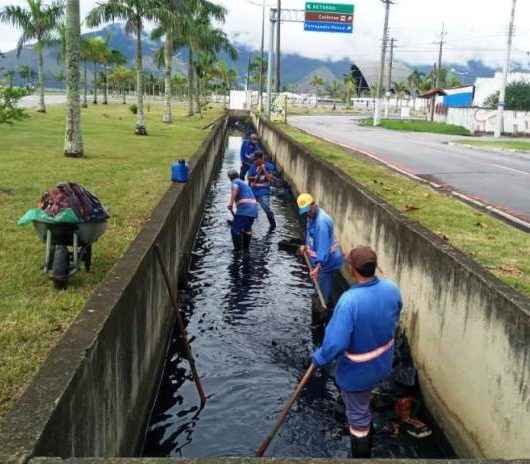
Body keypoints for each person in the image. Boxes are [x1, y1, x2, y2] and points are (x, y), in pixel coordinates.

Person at [312, 246, 403, 458]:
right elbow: (396, 312)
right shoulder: (391, 288)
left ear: (352, 270)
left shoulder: (349, 301)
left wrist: (319, 357)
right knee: (364, 403)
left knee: (358, 418)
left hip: (359, 373)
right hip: (383, 362)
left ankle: (361, 456)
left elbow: (335, 344)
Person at [296, 193, 343, 305]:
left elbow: (322, 249)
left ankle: (324, 309)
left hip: (326, 262)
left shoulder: (321, 223)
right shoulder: (311, 216)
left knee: (323, 292)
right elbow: (310, 236)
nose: (307, 214)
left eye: (308, 210)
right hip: (320, 259)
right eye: (305, 212)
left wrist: (317, 268)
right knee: (321, 287)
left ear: (314, 205)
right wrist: (306, 247)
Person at [227, 169, 258, 250]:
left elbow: (235, 189)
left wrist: (231, 203)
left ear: (230, 178)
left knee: (234, 230)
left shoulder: (235, 182)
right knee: (247, 230)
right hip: (253, 210)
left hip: (244, 210)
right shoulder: (244, 184)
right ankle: (246, 250)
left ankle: (237, 251)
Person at [247, 151, 276, 230]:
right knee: (250, 208)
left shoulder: (269, 166)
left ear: (261, 159)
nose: (255, 161)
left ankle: (273, 225)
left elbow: (269, 178)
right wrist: (256, 177)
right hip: (253, 191)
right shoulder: (253, 166)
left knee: (266, 208)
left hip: (264, 191)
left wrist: (263, 169)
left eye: (256, 160)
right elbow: (249, 177)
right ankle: (247, 224)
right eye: (254, 160)